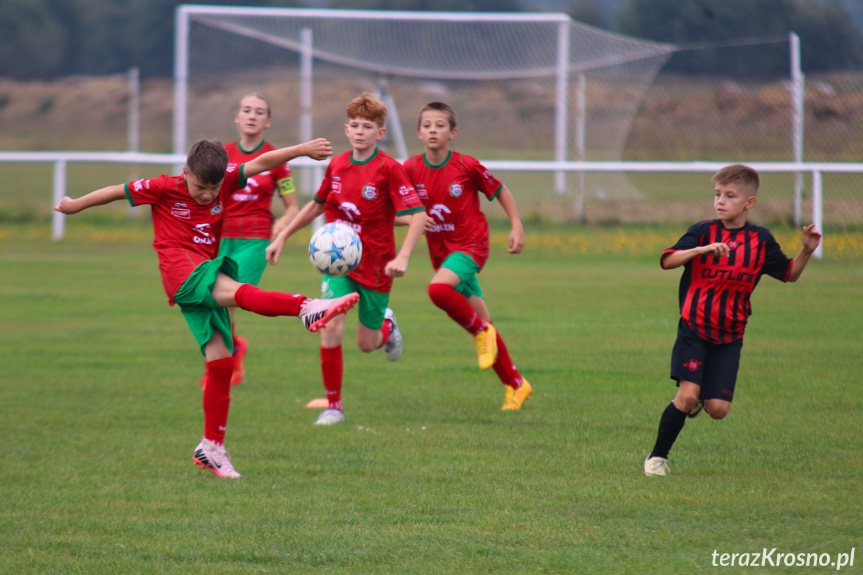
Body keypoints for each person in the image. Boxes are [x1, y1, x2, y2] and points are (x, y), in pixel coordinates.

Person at [55, 137, 360, 479]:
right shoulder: (163, 187)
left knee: (221, 360)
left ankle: (212, 447)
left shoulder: (225, 180)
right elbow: (116, 190)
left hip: (202, 268)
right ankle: (306, 307)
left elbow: (261, 163)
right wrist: (74, 205)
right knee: (239, 291)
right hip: (181, 272)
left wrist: (301, 149)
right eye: (200, 187)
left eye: (214, 189)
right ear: (186, 173)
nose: (207, 195)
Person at [643, 164, 821, 476]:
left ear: (748, 203)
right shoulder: (703, 231)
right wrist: (700, 250)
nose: (720, 201)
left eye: (729, 195)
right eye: (717, 195)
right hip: (694, 328)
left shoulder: (761, 240)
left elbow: (789, 274)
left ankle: (697, 397)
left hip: (730, 335)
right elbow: (668, 260)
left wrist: (806, 251)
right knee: (686, 396)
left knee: (718, 410)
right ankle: (657, 458)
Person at [266, 92, 427, 426]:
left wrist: (404, 257)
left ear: (380, 134)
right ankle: (334, 406)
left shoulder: (390, 169)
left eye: (367, 127)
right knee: (330, 325)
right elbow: (316, 205)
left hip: (377, 264)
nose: (359, 131)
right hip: (338, 265)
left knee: (367, 345)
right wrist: (282, 235)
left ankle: (387, 324)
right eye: (354, 125)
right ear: (346, 128)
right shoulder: (337, 164)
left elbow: (418, 215)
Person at [402, 101, 532, 411]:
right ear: (418, 132)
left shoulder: (466, 166)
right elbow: (393, 211)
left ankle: (479, 332)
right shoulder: (409, 169)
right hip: (442, 254)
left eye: (440, 125)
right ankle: (516, 385)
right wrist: (411, 220)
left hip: (471, 245)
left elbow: (500, 190)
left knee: (438, 290)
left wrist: (516, 225)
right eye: (428, 125)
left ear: (453, 132)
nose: (434, 130)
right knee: (485, 319)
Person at [211, 92, 301, 387]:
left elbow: (292, 208)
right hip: (219, 237)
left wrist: (282, 231)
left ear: (268, 121)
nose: (252, 115)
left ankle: (223, 363)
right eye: (246, 110)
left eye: (259, 112)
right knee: (213, 300)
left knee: (225, 295)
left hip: (255, 238)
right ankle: (231, 350)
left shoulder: (276, 160)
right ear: (237, 117)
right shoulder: (221, 155)